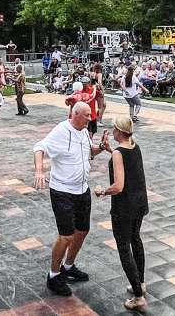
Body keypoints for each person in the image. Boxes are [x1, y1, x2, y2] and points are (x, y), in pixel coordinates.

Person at [33, 102, 110, 297]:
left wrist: (101, 147)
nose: (90, 118)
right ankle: (53, 275)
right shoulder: (61, 130)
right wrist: (40, 170)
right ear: (75, 114)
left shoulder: (84, 131)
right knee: (66, 236)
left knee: (82, 231)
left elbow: (89, 153)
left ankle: (68, 267)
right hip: (62, 191)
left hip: (82, 190)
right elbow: (39, 147)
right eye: (86, 115)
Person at [95, 115, 149, 312]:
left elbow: (118, 186)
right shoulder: (134, 145)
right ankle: (141, 284)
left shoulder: (119, 153)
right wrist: (111, 150)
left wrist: (102, 191)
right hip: (140, 203)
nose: (113, 131)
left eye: (114, 129)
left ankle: (138, 297)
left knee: (124, 248)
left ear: (118, 131)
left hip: (124, 207)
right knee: (136, 239)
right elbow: (126, 164)